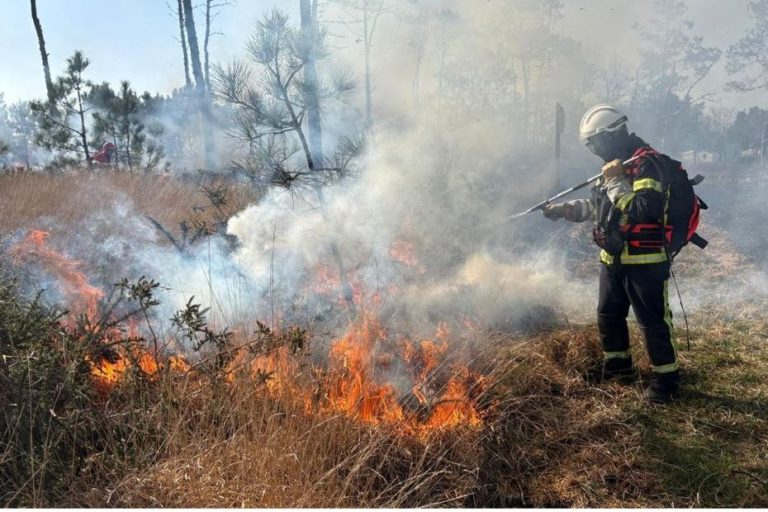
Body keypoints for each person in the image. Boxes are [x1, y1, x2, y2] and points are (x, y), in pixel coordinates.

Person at [542, 104, 680, 403]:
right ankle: (619, 369)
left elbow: (644, 210)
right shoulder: (615, 164)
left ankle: (666, 381)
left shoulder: (647, 164)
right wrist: (563, 210)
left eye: (594, 142)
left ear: (611, 134)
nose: (592, 149)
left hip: (645, 260)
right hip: (612, 259)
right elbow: (600, 209)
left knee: (653, 321)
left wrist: (616, 179)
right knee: (608, 314)